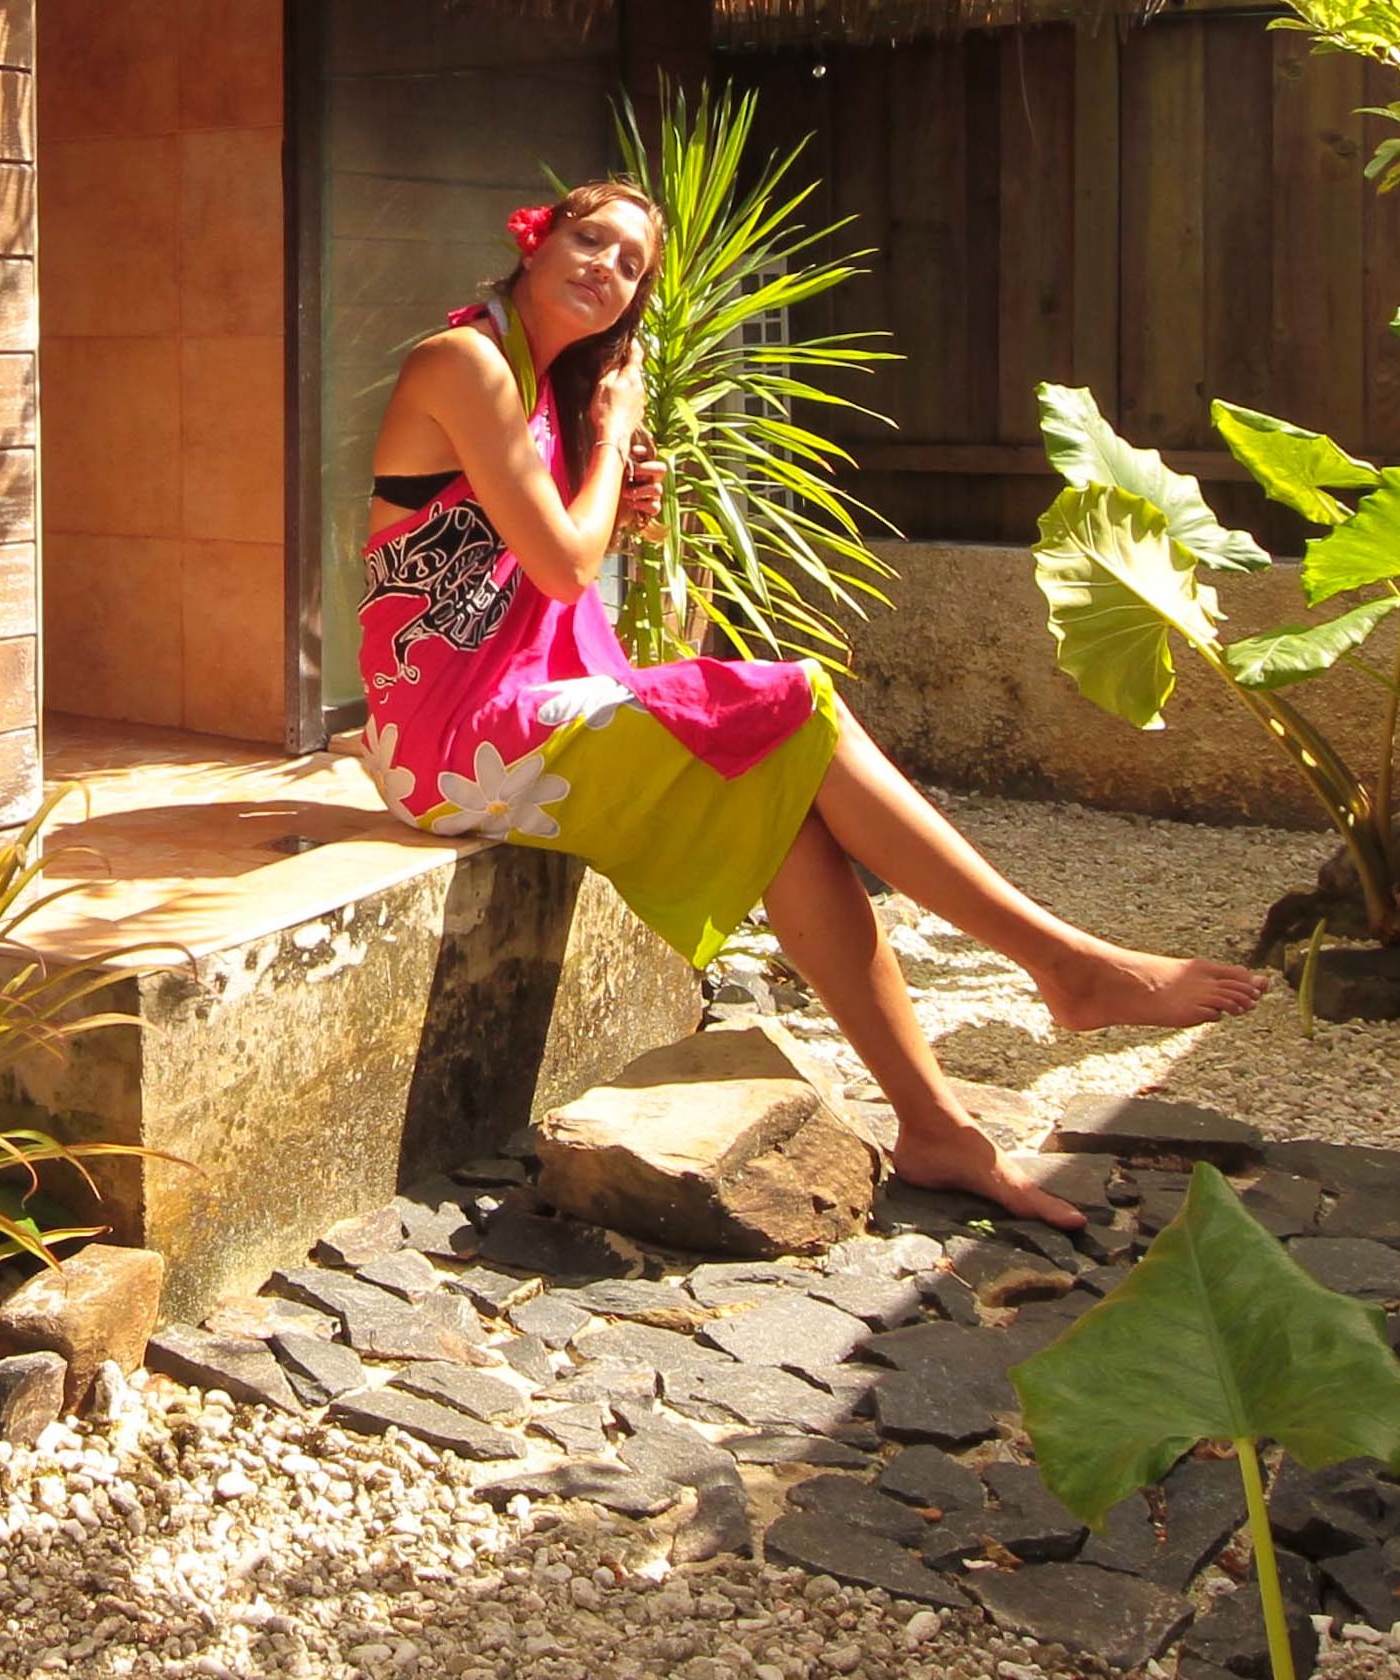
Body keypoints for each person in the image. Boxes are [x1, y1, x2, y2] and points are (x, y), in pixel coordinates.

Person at [355, 179, 1264, 1226]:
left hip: (510, 705)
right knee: (795, 699)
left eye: (631, 264)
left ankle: (935, 1127)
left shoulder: (540, 382)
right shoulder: (468, 361)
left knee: (784, 808)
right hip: (451, 738)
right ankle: (1065, 963)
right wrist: (615, 436)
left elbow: (544, 552)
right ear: (535, 237)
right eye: (589, 237)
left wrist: (601, 475)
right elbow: (561, 570)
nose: (606, 266)